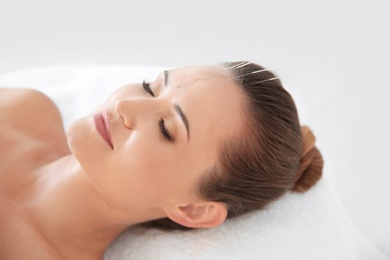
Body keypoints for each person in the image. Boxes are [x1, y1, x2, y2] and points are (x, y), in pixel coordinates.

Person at [0, 61, 323, 259]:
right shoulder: (23, 108)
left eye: (166, 128)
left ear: (193, 209)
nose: (126, 105)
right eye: (150, 89)